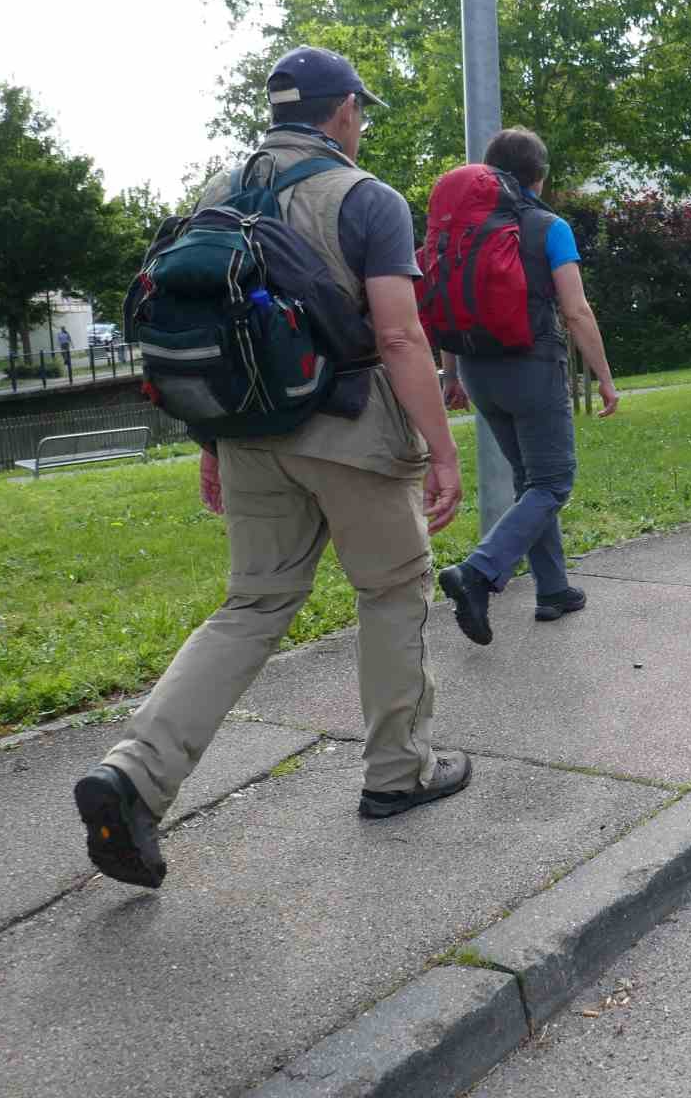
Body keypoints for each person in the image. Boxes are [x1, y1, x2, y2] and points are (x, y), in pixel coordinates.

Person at [74, 46, 468, 890]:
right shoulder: (368, 200)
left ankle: (135, 773)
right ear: (341, 114)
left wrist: (211, 446)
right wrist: (442, 448)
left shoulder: (215, 195)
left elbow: (199, 330)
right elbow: (399, 336)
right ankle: (398, 772)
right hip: (354, 431)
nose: (359, 124)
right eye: (357, 112)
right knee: (393, 589)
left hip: (249, 433)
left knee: (251, 605)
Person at [436, 127, 620, 645]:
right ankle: (477, 572)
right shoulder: (549, 227)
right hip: (531, 368)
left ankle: (553, 589)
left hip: (477, 371)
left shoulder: (465, 230)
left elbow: (451, 303)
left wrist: (451, 375)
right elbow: (576, 310)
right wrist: (604, 379)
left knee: (530, 481)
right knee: (553, 482)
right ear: (540, 176)